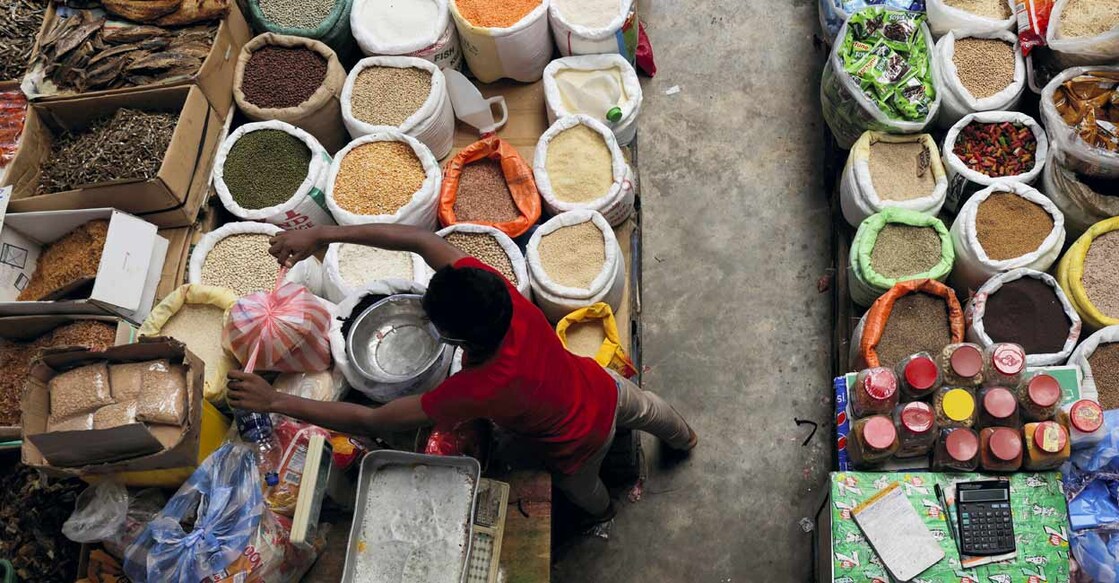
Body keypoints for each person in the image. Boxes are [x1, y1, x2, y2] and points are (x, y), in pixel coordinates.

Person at [226, 223, 697, 520]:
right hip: (599, 386)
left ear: (457, 343)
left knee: (583, 489)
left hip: (576, 441)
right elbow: (418, 239)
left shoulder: (478, 388)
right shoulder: (499, 293)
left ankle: (604, 513)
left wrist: (275, 401)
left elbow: (373, 421)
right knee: (648, 409)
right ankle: (685, 439)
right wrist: (320, 236)